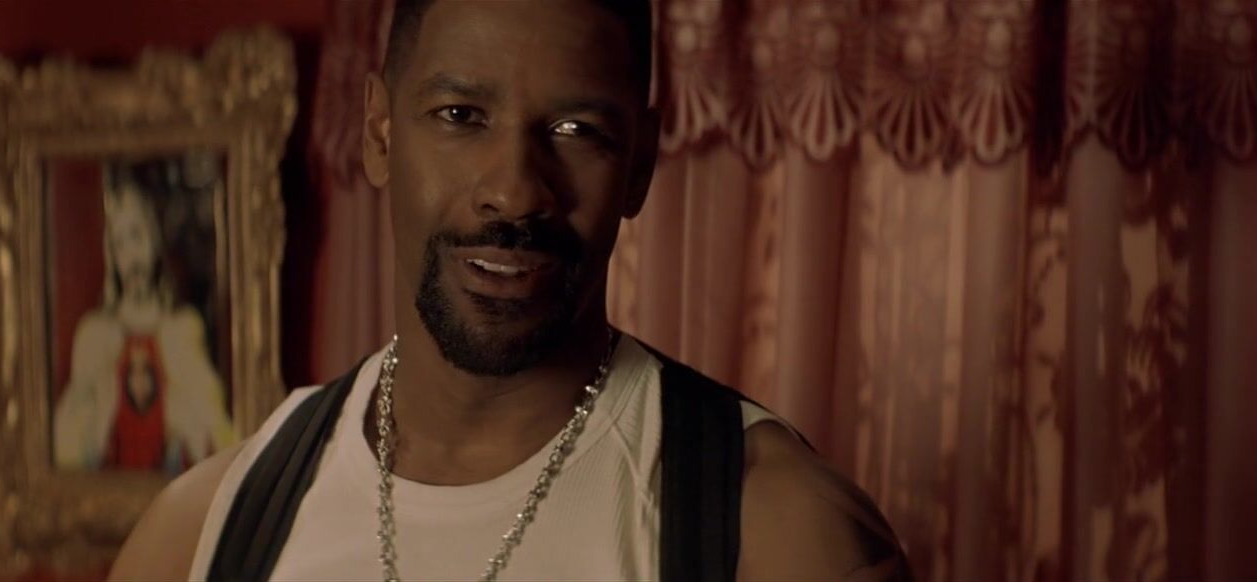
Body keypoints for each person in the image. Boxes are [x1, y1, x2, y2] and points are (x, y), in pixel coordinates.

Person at [111, 1, 912, 579]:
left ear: (639, 164)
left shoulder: (778, 534)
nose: (515, 190)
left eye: (576, 131)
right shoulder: (202, 535)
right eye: (461, 115)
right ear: (380, 133)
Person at [53, 168, 236, 475]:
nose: (131, 256)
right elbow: (66, 453)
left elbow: (220, 440)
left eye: (136, 236)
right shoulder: (94, 334)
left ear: (154, 239)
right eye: (119, 244)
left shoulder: (183, 329)